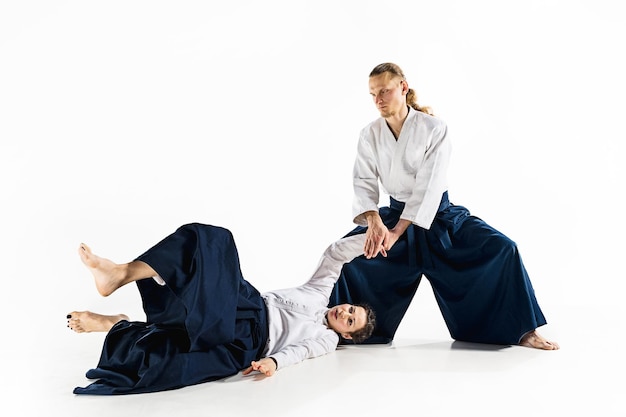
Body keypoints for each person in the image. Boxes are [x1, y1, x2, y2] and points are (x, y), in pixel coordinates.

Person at [329, 62, 558, 350]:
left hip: (439, 216)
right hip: (392, 215)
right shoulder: (370, 133)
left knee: (503, 249)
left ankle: (522, 330)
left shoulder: (433, 128)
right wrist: (375, 222)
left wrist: (397, 231)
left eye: (385, 91)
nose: (379, 100)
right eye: (373, 94)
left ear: (403, 87)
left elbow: (429, 186)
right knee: (345, 257)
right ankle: (334, 331)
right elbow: (363, 180)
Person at [67, 222, 376, 395]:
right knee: (212, 241)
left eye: (350, 321)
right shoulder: (319, 293)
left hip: (246, 344)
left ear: (346, 336)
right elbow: (335, 256)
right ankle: (121, 273)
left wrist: (275, 363)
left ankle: (117, 324)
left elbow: (303, 351)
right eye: (350, 309)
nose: (345, 314)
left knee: (170, 357)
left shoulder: (327, 340)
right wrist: (371, 237)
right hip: (249, 303)